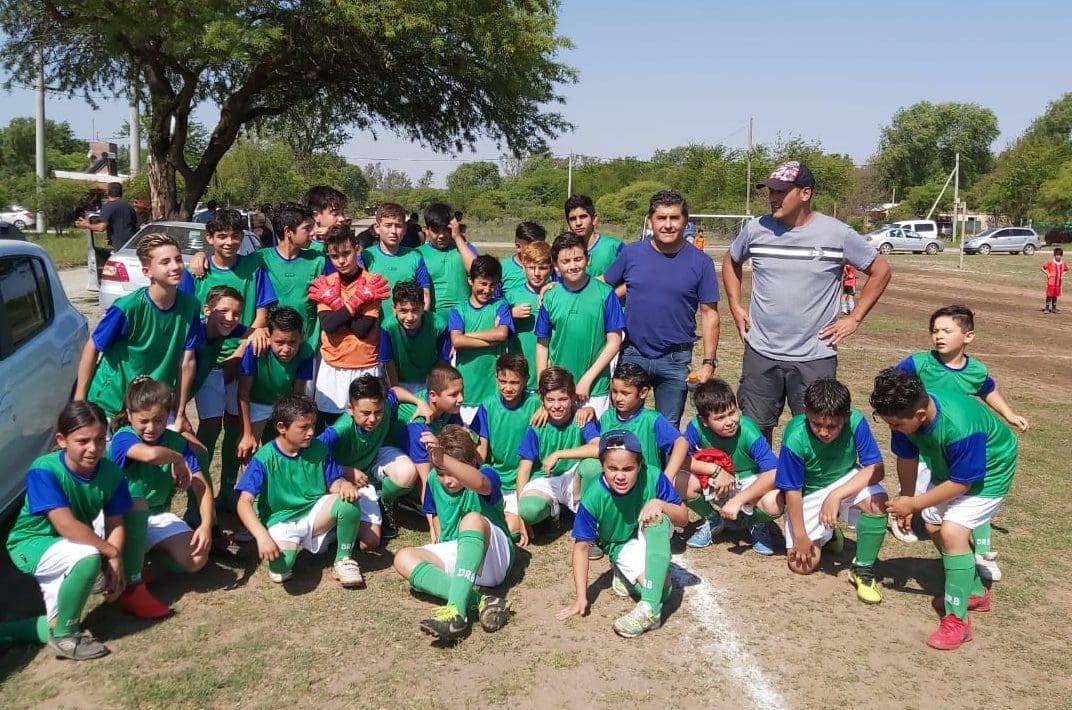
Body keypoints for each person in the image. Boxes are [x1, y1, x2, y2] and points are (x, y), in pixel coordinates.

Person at [722, 160, 892, 442]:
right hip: (761, 353)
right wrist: (735, 305)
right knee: (753, 433)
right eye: (770, 191)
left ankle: (808, 486)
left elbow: (881, 270)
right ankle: (761, 485)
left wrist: (855, 317)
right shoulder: (756, 229)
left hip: (815, 357)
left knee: (818, 433)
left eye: (781, 191)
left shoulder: (837, 233)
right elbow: (731, 260)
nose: (773, 197)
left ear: (805, 193)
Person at [870, 369, 1017, 651]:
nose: (893, 429)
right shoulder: (903, 419)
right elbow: (907, 458)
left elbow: (963, 482)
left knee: (951, 531)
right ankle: (975, 591)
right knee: (933, 526)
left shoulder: (960, 425)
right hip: (950, 466)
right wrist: (908, 500)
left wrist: (914, 504)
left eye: (897, 425)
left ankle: (957, 621)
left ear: (921, 415)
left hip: (990, 472)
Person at [893, 305, 1028, 579]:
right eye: (934, 331)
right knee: (925, 499)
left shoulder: (976, 370)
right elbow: (894, 388)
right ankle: (905, 519)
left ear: (968, 336)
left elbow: (988, 391)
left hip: (960, 442)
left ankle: (979, 554)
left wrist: (1009, 414)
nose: (938, 336)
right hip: (926, 445)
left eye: (946, 331)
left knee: (968, 495)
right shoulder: (918, 363)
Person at [2, 402, 131, 660]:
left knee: (56, 620)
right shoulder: (44, 469)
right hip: (32, 544)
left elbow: (116, 523)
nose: (93, 448)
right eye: (82, 441)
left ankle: (10, 631)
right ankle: (67, 637)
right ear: (62, 440)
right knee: (88, 558)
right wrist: (111, 553)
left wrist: (116, 562)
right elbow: (66, 526)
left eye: (99, 439)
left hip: (70, 546)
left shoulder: (111, 472)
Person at [604, 190, 720, 428]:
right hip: (633, 352)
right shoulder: (632, 253)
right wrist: (560, 286)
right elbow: (600, 287)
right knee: (624, 423)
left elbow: (709, 314)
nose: (668, 225)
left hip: (675, 359)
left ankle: (664, 467)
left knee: (667, 430)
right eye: (661, 218)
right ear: (650, 220)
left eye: (674, 218)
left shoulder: (701, 263)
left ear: (685, 221)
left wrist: (709, 362)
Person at [555, 430, 688, 639]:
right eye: (612, 468)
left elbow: (683, 517)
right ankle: (625, 577)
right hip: (621, 544)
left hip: (652, 533)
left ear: (640, 465)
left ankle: (649, 610)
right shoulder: (593, 498)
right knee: (663, 591)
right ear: (602, 466)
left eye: (628, 468)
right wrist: (581, 597)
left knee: (658, 519)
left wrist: (660, 503)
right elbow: (581, 547)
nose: (620, 475)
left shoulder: (653, 475)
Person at [184, 209, 277, 503]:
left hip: (242, 359)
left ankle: (227, 489)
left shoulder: (254, 266)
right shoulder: (198, 272)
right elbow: (185, 316)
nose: (229, 242)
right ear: (209, 238)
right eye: (221, 236)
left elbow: (262, 315)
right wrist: (197, 257)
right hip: (207, 364)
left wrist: (240, 353)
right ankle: (198, 492)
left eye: (235, 235)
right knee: (209, 427)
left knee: (235, 426)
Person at [391, 425, 513, 642]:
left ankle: (455, 612)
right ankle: (483, 601)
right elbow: (434, 514)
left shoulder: (487, 474)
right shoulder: (432, 481)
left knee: (471, 519)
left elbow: (481, 485)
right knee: (403, 558)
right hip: (462, 556)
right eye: (441, 473)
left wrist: (444, 459)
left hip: (493, 554)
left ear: (471, 464)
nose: (446, 480)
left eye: (452, 473)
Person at [235, 394, 368, 588]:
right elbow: (243, 502)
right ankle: (317, 540)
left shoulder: (320, 448)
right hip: (281, 520)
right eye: (303, 427)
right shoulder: (263, 458)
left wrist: (344, 485)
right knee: (281, 567)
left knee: (348, 501)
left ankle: (343, 559)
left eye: (313, 425)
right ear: (281, 427)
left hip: (314, 513)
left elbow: (334, 483)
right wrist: (262, 536)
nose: (311, 432)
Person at [775, 379, 889, 604]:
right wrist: (800, 537)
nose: (824, 432)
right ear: (806, 412)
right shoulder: (795, 437)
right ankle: (828, 535)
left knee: (878, 502)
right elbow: (793, 491)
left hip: (845, 478)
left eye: (832, 426)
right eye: (817, 424)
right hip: (809, 490)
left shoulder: (856, 422)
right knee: (801, 566)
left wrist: (835, 495)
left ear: (845, 417)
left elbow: (876, 469)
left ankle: (862, 569)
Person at [107, 377, 212, 619]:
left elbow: (202, 488)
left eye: (159, 420)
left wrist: (206, 525)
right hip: (119, 519)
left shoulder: (176, 441)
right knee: (136, 502)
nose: (151, 428)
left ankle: (144, 564)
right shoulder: (123, 437)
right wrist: (177, 459)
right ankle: (132, 585)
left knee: (196, 558)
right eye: (143, 421)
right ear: (129, 415)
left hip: (158, 515)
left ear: (169, 416)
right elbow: (151, 455)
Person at [75, 233, 202, 432]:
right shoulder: (127, 308)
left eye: (178, 259)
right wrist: (79, 401)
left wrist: (179, 411)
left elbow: (187, 361)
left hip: (153, 406)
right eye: (165, 262)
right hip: (111, 403)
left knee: (191, 456)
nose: (175, 266)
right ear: (147, 271)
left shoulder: (191, 307)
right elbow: (93, 346)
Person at [682, 379, 781, 553]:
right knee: (679, 480)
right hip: (716, 482)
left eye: (732, 413)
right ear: (704, 421)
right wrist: (716, 470)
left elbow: (773, 472)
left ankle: (756, 522)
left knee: (776, 500)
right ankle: (713, 519)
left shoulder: (748, 429)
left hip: (748, 483)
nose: (730, 421)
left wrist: (738, 500)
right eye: (720, 418)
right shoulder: (696, 428)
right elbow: (680, 460)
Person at [317, 376, 420, 540]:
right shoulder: (340, 429)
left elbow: (396, 392)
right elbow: (313, 452)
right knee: (369, 542)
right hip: (343, 479)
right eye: (365, 413)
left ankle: (384, 501)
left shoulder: (385, 404)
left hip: (371, 462)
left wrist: (419, 402)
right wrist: (344, 471)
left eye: (378, 412)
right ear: (350, 409)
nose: (373, 419)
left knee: (407, 472)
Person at [535, 232, 625, 419]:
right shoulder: (550, 297)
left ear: (588, 259)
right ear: (556, 265)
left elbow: (614, 342)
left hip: (594, 388)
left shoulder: (606, 294)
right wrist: (543, 387)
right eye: (566, 261)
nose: (573, 266)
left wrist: (587, 379)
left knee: (592, 444)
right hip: (558, 391)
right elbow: (542, 344)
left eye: (578, 259)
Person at [307, 223, 390, 421]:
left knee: (365, 425)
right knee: (333, 428)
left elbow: (362, 329)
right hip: (333, 366)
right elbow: (328, 325)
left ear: (357, 249)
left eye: (346, 253)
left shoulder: (372, 283)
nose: (342, 261)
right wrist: (356, 302)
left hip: (365, 365)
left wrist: (337, 306)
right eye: (335, 256)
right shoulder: (325, 284)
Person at [514, 367, 601, 543]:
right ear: (542, 400)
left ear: (573, 398)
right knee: (529, 510)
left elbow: (599, 448)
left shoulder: (581, 417)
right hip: (546, 479)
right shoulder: (538, 425)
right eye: (550, 400)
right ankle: (553, 511)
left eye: (563, 399)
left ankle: (587, 525)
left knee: (593, 466)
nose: (556, 406)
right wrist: (521, 516)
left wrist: (559, 454)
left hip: (574, 477)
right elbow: (524, 470)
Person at [394, 363, 490, 498]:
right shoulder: (418, 426)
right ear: (433, 395)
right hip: (396, 461)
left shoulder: (449, 408)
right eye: (454, 394)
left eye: (461, 391)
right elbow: (427, 481)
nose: (461, 399)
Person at [236, 307, 316, 462]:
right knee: (248, 450)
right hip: (256, 403)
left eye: (292, 342)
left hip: (284, 405)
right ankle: (243, 483)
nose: (286, 349)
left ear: (302, 336)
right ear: (268, 336)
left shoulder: (306, 352)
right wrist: (246, 434)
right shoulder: (255, 349)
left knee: (284, 450)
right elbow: (243, 393)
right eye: (279, 342)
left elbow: (297, 394)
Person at [481, 353, 541, 541]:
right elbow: (482, 450)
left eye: (514, 382)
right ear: (496, 378)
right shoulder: (487, 406)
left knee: (511, 529)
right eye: (503, 381)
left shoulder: (536, 404)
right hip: (497, 479)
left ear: (526, 381)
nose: (507, 388)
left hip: (526, 480)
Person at [449, 255, 515, 410]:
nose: (487, 290)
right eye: (483, 283)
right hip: (467, 387)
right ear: (470, 280)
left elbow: (501, 334)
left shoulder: (501, 305)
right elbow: (457, 341)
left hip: (492, 387)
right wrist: (491, 338)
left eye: (492, 285)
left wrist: (468, 335)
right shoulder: (459, 310)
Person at [381, 280, 452, 392]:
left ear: (423, 307)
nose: (410, 317)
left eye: (415, 310)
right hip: (399, 382)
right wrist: (396, 392)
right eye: (403, 311)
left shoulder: (439, 325)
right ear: (394, 308)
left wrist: (432, 387)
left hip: (430, 382)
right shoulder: (387, 327)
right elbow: (388, 363)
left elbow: (443, 360)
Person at [361, 202, 432, 310]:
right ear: (377, 227)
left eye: (398, 226)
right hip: (373, 324)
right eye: (388, 225)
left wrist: (420, 323)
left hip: (407, 324)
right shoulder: (365, 256)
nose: (393, 231)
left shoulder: (415, 257)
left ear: (405, 229)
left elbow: (425, 295)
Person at [419, 202, 479, 321]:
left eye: (446, 229)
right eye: (436, 230)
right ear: (426, 229)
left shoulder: (465, 249)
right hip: (434, 321)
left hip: (465, 319)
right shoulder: (417, 254)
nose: (441, 235)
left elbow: (478, 272)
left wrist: (457, 237)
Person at [506, 240, 552, 390]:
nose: (537, 273)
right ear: (523, 267)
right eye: (531, 268)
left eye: (542, 268)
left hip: (550, 368)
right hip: (520, 369)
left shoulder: (556, 292)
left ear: (551, 269)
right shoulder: (512, 295)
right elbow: (494, 322)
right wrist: (511, 314)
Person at [564, 195, 623, 278]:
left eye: (583, 217)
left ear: (594, 219)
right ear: (568, 223)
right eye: (573, 219)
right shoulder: (563, 252)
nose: (578, 223)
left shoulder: (614, 247)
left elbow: (629, 279)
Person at [76, 182, 138, 251]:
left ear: (108, 192)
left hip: (119, 245)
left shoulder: (108, 206)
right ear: (121, 192)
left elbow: (101, 228)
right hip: (132, 243)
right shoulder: (128, 206)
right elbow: (134, 223)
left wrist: (87, 225)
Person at [500, 221, 547, 294]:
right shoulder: (502, 269)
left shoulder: (549, 267)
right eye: (533, 247)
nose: (538, 250)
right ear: (518, 247)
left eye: (541, 245)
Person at [303, 185, 348, 252]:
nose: (342, 219)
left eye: (342, 213)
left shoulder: (346, 241)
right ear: (315, 215)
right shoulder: (304, 247)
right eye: (335, 214)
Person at [1042, 247, 1068, 313]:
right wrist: (1048, 274)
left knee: (1055, 295)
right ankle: (1047, 308)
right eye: (1057, 255)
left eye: (1059, 255)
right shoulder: (1050, 262)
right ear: (1054, 255)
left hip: (1058, 282)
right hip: (1051, 281)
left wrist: (1062, 275)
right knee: (1049, 294)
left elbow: (1066, 269)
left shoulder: (1063, 263)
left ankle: (1054, 308)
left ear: (1061, 255)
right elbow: (1042, 268)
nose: (1058, 256)